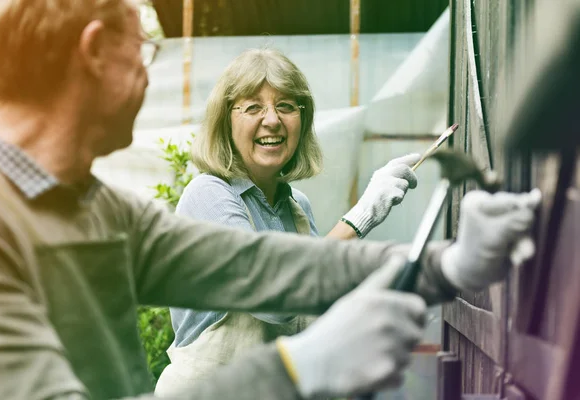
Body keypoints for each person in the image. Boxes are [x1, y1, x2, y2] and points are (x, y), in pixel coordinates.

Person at [0, 0, 541, 399]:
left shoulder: (92, 204)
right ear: (95, 51)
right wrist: (296, 371)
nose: (147, 76)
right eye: (144, 54)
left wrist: (446, 262)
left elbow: (262, 265)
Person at [155, 48, 423, 395]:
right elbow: (274, 297)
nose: (272, 120)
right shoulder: (208, 196)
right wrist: (361, 216)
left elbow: (315, 300)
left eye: (286, 106)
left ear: (303, 118)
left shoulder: (296, 207)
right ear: (226, 120)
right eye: (253, 107)